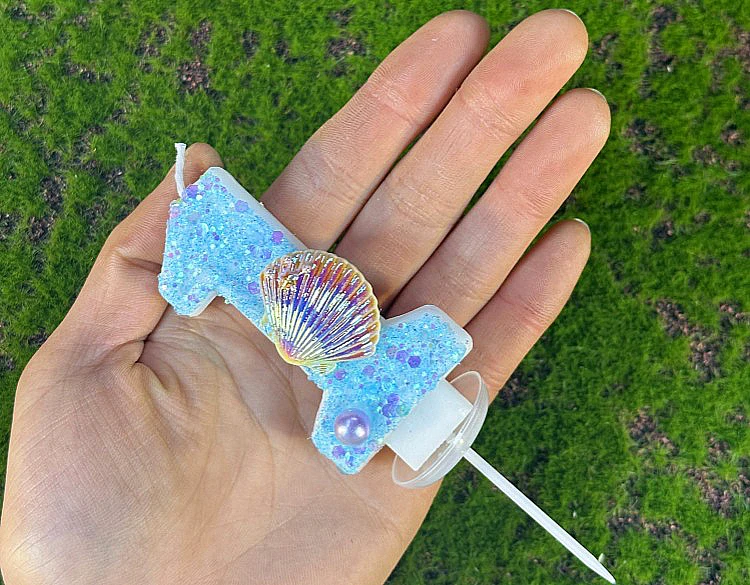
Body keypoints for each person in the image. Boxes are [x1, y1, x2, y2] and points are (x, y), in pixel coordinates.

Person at [0, 8, 609, 585]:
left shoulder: (409, 359)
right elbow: (369, 410)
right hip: (298, 306)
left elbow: (365, 416)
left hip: (315, 319)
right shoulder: (413, 354)